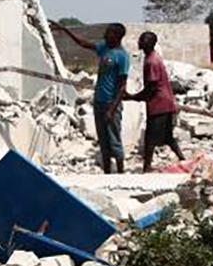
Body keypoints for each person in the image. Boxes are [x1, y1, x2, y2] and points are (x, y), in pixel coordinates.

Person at [53, 21, 130, 173]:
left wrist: (112, 109)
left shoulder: (122, 56)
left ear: (117, 36)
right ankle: (107, 172)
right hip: (99, 102)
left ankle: (121, 172)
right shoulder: (105, 49)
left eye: (108, 33)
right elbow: (83, 44)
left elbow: (122, 88)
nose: (105, 35)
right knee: (103, 141)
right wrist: (64, 30)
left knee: (114, 139)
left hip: (111, 105)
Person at [125, 31, 184, 171]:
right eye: (141, 39)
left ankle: (146, 168)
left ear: (149, 43)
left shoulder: (151, 61)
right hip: (165, 102)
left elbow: (151, 87)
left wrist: (133, 97)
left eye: (143, 40)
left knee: (150, 139)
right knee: (167, 136)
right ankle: (182, 158)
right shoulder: (152, 57)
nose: (140, 42)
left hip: (159, 104)